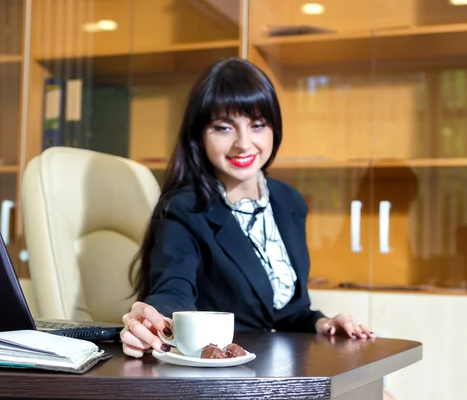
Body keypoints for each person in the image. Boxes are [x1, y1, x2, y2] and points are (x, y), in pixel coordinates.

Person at [120, 57, 376, 358]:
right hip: (223, 371)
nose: (244, 143)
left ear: (273, 130)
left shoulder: (288, 202)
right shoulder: (183, 209)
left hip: (281, 363)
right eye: (224, 128)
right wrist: (153, 319)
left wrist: (321, 322)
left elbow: (286, 311)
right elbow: (174, 289)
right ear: (200, 136)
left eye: (257, 125)